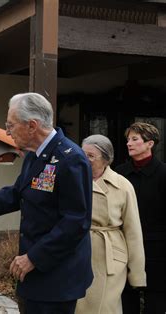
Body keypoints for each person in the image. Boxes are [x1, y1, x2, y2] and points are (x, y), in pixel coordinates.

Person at [0, 92, 93, 314]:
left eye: (11, 125)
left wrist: (34, 258)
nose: (7, 132)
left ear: (32, 126)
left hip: (56, 275)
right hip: (33, 271)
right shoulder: (34, 155)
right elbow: (19, 192)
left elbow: (76, 221)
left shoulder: (71, 159)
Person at [75, 134, 146, 314]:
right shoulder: (73, 180)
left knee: (106, 307)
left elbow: (133, 231)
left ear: (106, 160)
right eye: (83, 154)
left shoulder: (123, 185)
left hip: (110, 257)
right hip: (78, 251)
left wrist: (137, 275)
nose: (85, 159)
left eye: (91, 156)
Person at [116, 122, 166, 314]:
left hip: (157, 253)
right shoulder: (119, 173)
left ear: (150, 144)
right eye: (128, 139)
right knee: (127, 303)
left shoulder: (163, 174)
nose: (129, 143)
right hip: (125, 250)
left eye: (135, 139)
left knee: (156, 305)